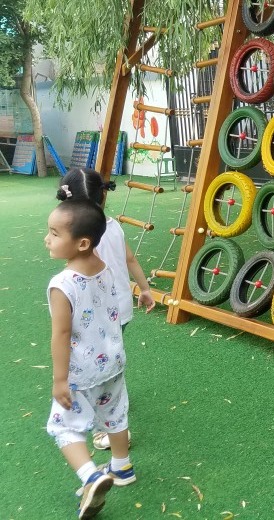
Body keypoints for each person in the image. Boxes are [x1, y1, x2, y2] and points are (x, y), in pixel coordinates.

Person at [44, 199, 136, 518]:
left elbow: (61, 334)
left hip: (81, 371)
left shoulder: (62, 285)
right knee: (115, 413)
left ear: (82, 243)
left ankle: (90, 476)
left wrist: (60, 380)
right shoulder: (104, 268)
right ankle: (122, 466)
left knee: (64, 428)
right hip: (112, 360)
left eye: (54, 233)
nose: (47, 239)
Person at [56, 167, 155, 450]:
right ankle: (113, 397)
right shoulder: (113, 226)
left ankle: (103, 427)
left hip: (94, 315)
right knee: (110, 356)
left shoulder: (82, 239)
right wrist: (144, 288)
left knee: (95, 364)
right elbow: (130, 258)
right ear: (103, 196)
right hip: (119, 310)